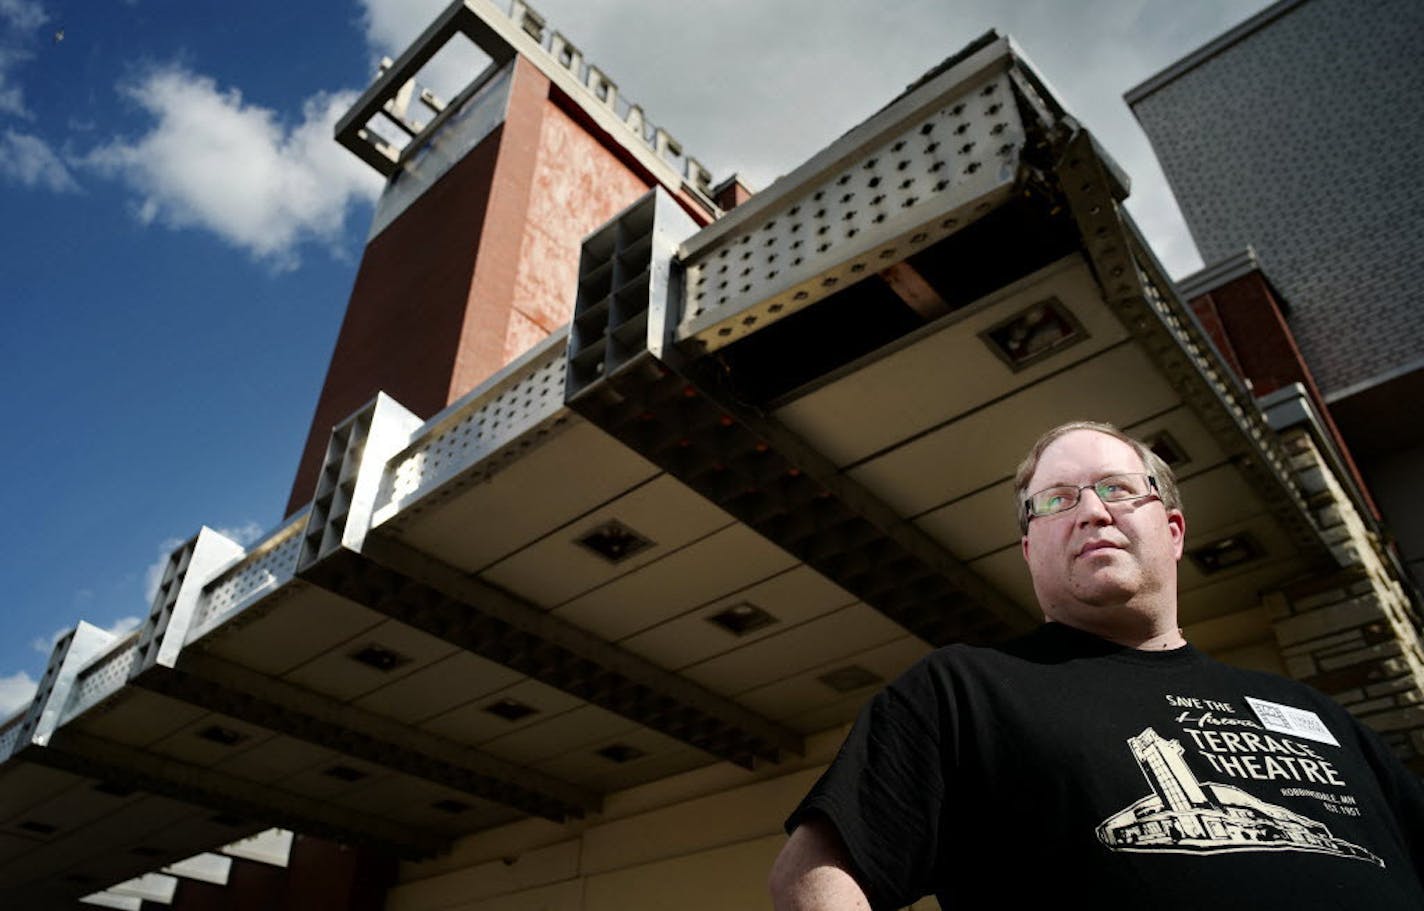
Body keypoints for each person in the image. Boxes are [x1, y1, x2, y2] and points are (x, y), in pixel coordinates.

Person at [769, 421, 1424, 909]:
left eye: (1117, 488)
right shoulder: (964, 690)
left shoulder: (1318, 714)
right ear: (1030, 548)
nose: (1091, 510)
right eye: (1057, 499)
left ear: (1172, 529)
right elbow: (817, 869)